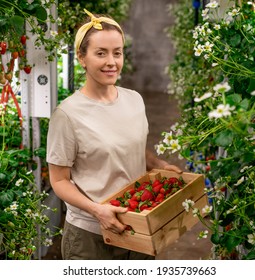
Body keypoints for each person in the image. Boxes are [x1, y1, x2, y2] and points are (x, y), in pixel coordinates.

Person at [46, 9, 182, 260]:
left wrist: (159, 164)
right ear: (81, 58)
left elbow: (132, 147)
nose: (111, 62)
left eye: (117, 53)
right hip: (91, 236)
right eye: (101, 53)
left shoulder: (134, 100)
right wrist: (97, 210)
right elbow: (59, 181)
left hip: (138, 227)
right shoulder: (67, 114)